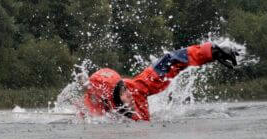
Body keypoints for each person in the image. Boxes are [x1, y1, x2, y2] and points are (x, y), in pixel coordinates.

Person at [82, 41, 238, 121]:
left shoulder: (138, 88)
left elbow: (171, 60)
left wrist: (210, 52)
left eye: (124, 87)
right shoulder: (92, 105)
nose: (129, 93)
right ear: (108, 96)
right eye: (123, 91)